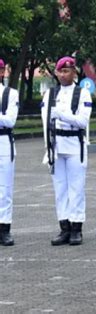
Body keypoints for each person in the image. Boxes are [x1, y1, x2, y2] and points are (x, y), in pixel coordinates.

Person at [41, 56, 92, 246]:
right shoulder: (50, 94)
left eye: (67, 71)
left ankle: (77, 227)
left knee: (76, 188)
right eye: (61, 71)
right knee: (60, 189)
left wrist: (62, 114)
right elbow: (45, 123)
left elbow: (82, 121)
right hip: (57, 144)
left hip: (74, 144)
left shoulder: (82, 94)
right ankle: (64, 227)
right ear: (56, 73)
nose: (64, 74)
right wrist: (48, 148)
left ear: (74, 73)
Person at [0, 58, 19, 246]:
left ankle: (4, 228)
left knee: (4, 188)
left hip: (3, 141)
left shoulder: (10, 94)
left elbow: (10, 121)